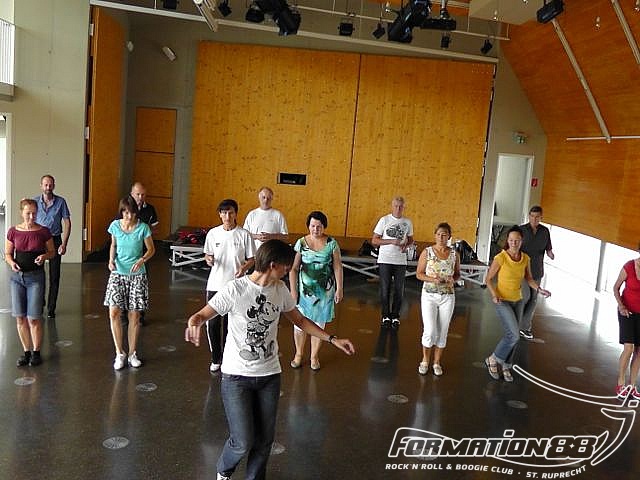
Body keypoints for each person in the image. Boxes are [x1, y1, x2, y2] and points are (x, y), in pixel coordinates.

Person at [185, 239, 355, 480]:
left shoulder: (279, 290)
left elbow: (300, 320)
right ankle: (224, 470)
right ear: (273, 265)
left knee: (265, 440)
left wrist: (332, 339)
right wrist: (194, 321)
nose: (288, 271)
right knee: (242, 440)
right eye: (286, 267)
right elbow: (203, 314)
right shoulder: (236, 289)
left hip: (269, 375)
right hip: (236, 377)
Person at [484, 225, 550, 382]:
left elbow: (529, 279)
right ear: (507, 241)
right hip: (502, 300)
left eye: (517, 240)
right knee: (514, 335)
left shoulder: (525, 258)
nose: (514, 243)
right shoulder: (501, 257)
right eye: (511, 240)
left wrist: (539, 289)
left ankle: (506, 365)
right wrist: (494, 295)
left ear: (522, 241)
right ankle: (493, 359)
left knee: (513, 336)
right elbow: (488, 279)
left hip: (518, 300)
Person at [204, 199, 255, 373]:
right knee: (213, 323)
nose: (227, 216)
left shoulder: (244, 234)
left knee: (231, 324)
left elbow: (252, 259)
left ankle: (228, 357)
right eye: (224, 213)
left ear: (235, 214)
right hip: (215, 284)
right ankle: (215, 357)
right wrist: (208, 259)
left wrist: (244, 268)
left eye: (230, 212)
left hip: (237, 286)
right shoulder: (213, 234)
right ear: (220, 214)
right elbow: (208, 254)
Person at [104, 196, 155, 370]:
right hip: (118, 272)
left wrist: (142, 260)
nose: (128, 216)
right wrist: (111, 260)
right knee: (114, 312)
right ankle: (119, 353)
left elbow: (151, 249)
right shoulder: (115, 226)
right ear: (121, 212)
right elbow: (113, 245)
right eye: (125, 212)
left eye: (131, 212)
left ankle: (133, 352)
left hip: (137, 274)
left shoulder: (143, 228)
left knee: (135, 315)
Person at [289, 211, 343, 371]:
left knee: (319, 325)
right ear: (308, 226)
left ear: (324, 227)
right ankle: (299, 354)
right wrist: (293, 291)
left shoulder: (332, 243)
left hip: (324, 293)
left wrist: (339, 288)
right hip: (303, 292)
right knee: (299, 324)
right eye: (312, 226)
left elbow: (337, 266)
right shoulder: (301, 243)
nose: (315, 229)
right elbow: (294, 268)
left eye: (319, 226)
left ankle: (314, 356)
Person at [5, 199, 56, 367]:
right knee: (20, 317)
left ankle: (36, 352)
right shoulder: (13, 231)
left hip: (36, 278)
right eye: (28, 213)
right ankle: (26, 351)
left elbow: (52, 252)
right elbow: (8, 253)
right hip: (17, 278)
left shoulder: (43, 232)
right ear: (22, 213)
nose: (32, 217)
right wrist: (12, 263)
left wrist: (44, 256)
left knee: (34, 317)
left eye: (34, 213)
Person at [416, 223, 460, 376]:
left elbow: (457, 274)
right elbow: (419, 274)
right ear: (435, 235)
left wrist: (453, 279)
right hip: (429, 295)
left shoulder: (454, 254)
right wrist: (433, 279)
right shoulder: (427, 252)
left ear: (449, 237)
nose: (441, 237)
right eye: (439, 234)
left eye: (444, 234)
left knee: (443, 331)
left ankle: (436, 362)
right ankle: (425, 360)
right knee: (430, 330)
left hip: (447, 296)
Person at [372, 196, 414, 329]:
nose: (398, 208)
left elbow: (411, 240)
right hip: (385, 259)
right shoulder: (384, 220)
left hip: (400, 261)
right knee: (385, 289)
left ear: (404, 207)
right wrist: (391, 241)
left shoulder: (408, 222)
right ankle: (385, 315)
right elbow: (374, 240)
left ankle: (395, 316)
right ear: (392, 206)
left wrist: (406, 246)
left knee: (399, 290)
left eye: (401, 206)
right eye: (396, 206)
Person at [122, 182, 159, 326]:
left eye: (143, 194)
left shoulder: (150, 209)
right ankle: (124, 314)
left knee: (141, 285)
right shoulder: (125, 208)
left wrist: (145, 233)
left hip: (143, 252)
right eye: (137, 194)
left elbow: (155, 228)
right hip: (126, 253)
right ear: (131, 194)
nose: (140, 197)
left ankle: (140, 315)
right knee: (124, 284)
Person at [34, 174, 71, 319]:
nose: (48, 187)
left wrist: (64, 243)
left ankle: (51, 308)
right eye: (45, 185)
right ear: (41, 186)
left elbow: (67, 222)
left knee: (55, 275)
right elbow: (28, 218)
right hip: (38, 240)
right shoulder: (35, 202)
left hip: (55, 239)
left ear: (54, 186)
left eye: (50, 185)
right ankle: (40, 302)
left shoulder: (61, 202)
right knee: (38, 274)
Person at [519, 205, 554, 340]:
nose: (534, 219)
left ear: (541, 217)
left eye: (537, 217)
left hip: (537, 270)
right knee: (525, 296)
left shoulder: (545, 231)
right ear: (529, 216)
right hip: (522, 270)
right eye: (532, 216)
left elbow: (548, 247)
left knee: (533, 299)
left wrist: (550, 254)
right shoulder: (522, 230)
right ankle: (516, 323)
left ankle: (525, 327)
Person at [612, 245, 640, 400]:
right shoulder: (629, 266)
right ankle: (620, 383)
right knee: (629, 348)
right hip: (626, 312)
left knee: (639, 352)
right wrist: (621, 306)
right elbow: (616, 288)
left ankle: (632, 386)